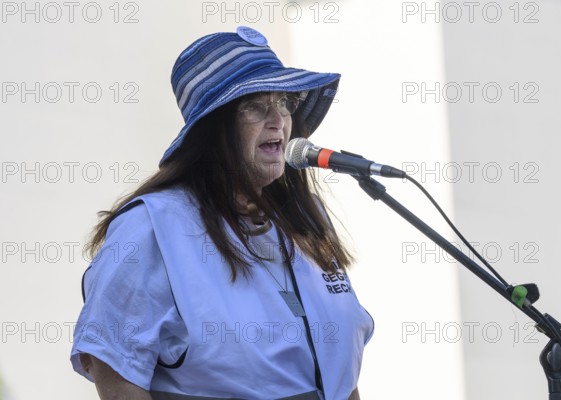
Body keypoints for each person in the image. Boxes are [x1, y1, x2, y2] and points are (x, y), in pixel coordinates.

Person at [70, 26, 374, 400]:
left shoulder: (304, 221)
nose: (277, 119)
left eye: (284, 102)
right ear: (213, 128)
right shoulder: (153, 225)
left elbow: (343, 371)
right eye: (255, 105)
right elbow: (114, 365)